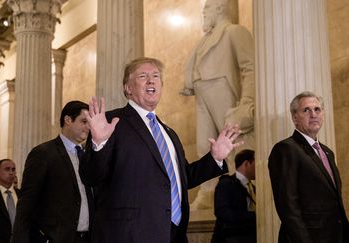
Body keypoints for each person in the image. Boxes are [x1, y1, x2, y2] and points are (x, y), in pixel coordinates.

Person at [79, 57, 242, 243]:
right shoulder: (111, 123)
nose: (151, 80)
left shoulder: (168, 132)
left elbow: (181, 178)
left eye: (156, 76)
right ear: (128, 88)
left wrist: (214, 158)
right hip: (129, 234)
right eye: (143, 76)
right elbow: (91, 177)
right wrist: (99, 144)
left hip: (172, 233)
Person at [181, 0, 255, 209]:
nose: (204, 13)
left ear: (220, 8)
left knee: (231, 144)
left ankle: (239, 192)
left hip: (222, 89)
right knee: (205, 144)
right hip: (203, 93)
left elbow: (250, 68)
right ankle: (208, 190)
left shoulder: (234, 31)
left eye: (207, 8)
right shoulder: (204, 40)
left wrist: (247, 102)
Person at [268, 91, 349, 243]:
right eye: (306, 110)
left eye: (317, 109)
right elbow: (288, 206)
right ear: (295, 118)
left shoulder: (327, 152)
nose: (313, 114)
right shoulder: (286, 149)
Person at [12, 101, 94, 243]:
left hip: (87, 238)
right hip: (53, 238)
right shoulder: (43, 153)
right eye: (84, 121)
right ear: (68, 120)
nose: (88, 127)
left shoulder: (88, 156)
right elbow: (26, 203)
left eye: (89, 123)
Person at [212, 149, 256, 243]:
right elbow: (222, 212)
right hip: (230, 238)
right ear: (246, 164)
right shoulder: (226, 183)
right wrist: (254, 216)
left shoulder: (253, 187)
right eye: (255, 162)